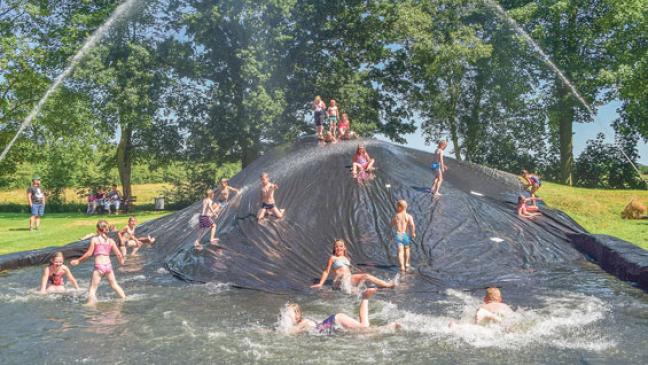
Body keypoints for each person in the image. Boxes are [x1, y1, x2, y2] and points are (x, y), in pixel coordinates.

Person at [284, 288, 399, 334]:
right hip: (333, 322)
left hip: (336, 320)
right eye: (287, 315)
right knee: (364, 331)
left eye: (290, 314)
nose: (288, 317)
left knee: (364, 328)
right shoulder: (304, 321)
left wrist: (278, 328)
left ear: (298, 314)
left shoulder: (303, 323)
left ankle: (365, 297)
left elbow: (290, 333)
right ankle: (366, 299)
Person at [71, 220, 126, 305]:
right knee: (115, 285)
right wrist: (121, 261)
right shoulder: (111, 241)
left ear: (97, 229)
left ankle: (89, 305)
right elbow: (118, 254)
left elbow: (89, 253)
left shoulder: (95, 240)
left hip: (99, 266)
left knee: (92, 289)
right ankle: (124, 299)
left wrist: (78, 260)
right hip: (108, 266)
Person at [311, 239, 395, 290]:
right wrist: (321, 283)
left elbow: (349, 271)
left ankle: (387, 285)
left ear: (344, 248)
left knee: (366, 275)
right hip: (339, 281)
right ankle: (351, 290)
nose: (338, 248)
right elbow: (326, 271)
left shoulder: (347, 259)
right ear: (334, 248)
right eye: (336, 246)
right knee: (343, 274)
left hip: (349, 279)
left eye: (341, 246)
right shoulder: (333, 258)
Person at [392, 200, 416, 272]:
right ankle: (407, 264)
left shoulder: (397, 216)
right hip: (405, 235)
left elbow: (392, 223)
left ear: (399, 207)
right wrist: (413, 233)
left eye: (397, 207)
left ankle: (402, 266)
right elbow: (412, 225)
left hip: (399, 234)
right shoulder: (408, 216)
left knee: (400, 251)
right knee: (407, 249)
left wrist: (393, 224)